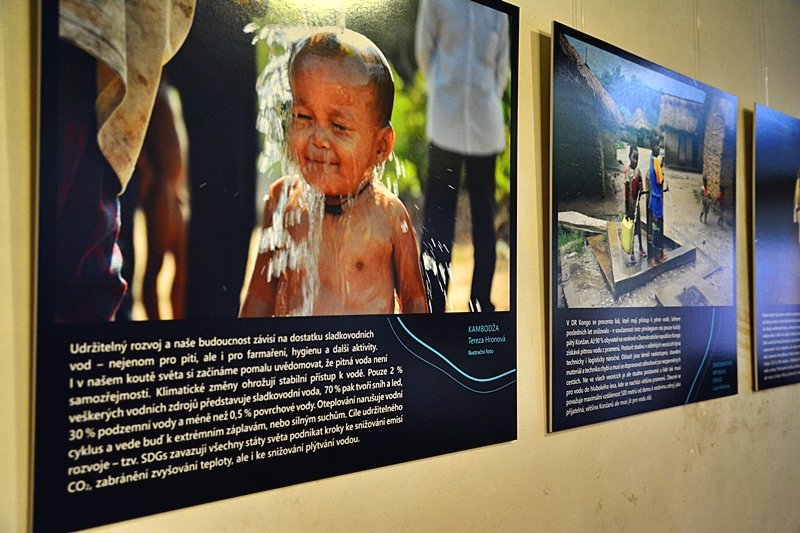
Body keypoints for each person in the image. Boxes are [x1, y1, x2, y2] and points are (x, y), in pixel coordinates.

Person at [240, 30, 428, 317]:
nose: (318, 139)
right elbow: (259, 299)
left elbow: (415, 303)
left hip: (363, 358)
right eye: (303, 117)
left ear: (381, 146)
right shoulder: (283, 202)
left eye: (339, 127)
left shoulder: (388, 216)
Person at [56, 0, 194, 322]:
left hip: (177, 198)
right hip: (164, 195)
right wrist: (145, 174)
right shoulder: (155, 95)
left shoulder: (162, 93)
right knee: (152, 273)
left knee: (176, 272)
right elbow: (137, 145)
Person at [415, 0, 510, 312]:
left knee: (485, 217)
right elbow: (424, 51)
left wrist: (484, 100)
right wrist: (444, 93)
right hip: (446, 122)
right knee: (438, 217)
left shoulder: (497, 10)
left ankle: (481, 300)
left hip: (485, 125)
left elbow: (501, 68)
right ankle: (433, 300)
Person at [623, 145, 647, 264]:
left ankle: (641, 248)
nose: (635, 161)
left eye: (637, 158)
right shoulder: (627, 172)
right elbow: (627, 192)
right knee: (631, 229)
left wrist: (641, 184)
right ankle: (632, 252)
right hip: (630, 206)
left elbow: (640, 190)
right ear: (629, 157)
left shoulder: (638, 172)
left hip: (636, 204)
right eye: (633, 158)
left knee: (638, 227)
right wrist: (627, 210)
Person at [648, 137, 667, 267]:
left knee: (656, 228)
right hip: (657, 202)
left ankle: (658, 256)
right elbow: (660, 181)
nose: (658, 148)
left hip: (654, 200)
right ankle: (655, 258)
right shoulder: (655, 160)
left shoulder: (651, 158)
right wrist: (662, 169)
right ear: (652, 146)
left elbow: (655, 176)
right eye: (656, 145)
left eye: (659, 145)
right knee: (657, 229)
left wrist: (661, 166)